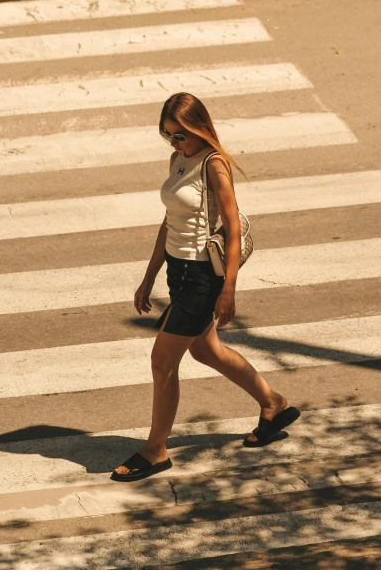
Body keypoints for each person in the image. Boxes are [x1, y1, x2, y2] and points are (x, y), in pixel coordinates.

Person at [111, 92, 299, 482]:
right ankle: (273, 403)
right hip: (177, 273)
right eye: (167, 135)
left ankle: (155, 450)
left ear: (199, 129)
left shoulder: (214, 166)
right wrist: (148, 277)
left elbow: (231, 228)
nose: (174, 142)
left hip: (202, 278)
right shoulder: (178, 159)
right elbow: (169, 223)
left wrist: (228, 288)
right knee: (206, 350)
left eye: (180, 135)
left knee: (162, 362)